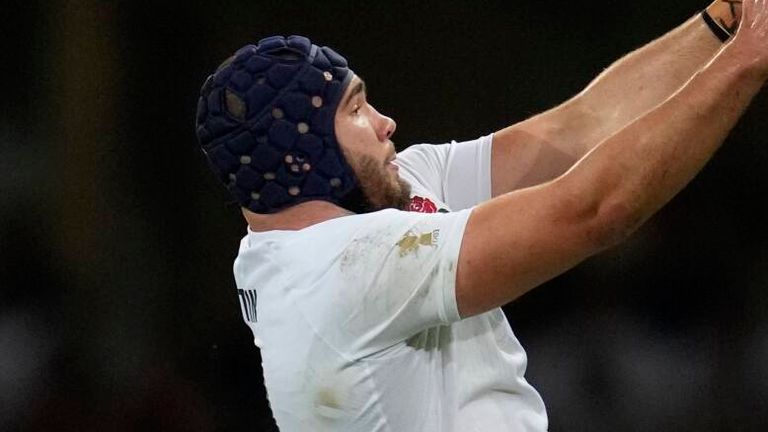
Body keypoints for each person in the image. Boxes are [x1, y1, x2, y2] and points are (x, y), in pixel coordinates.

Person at [195, 1, 761, 430]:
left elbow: (576, 132)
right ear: (303, 153)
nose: (386, 121)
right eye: (356, 109)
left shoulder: (372, 203)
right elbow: (596, 209)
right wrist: (747, 60)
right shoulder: (340, 270)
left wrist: (725, 18)